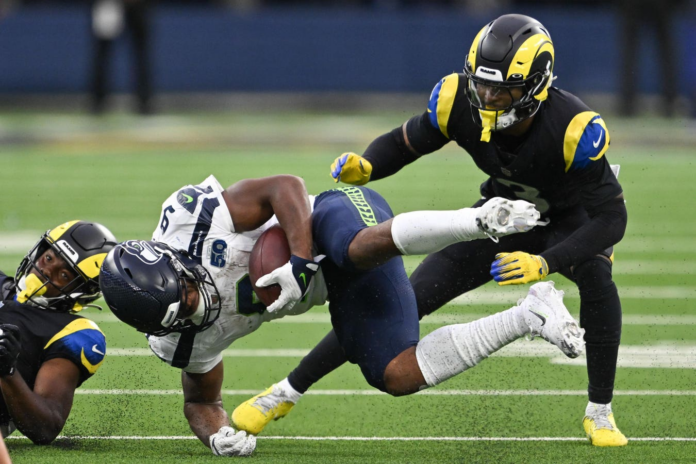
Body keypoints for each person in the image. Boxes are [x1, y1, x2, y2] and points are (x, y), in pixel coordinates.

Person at [234, 14, 628, 447]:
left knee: (597, 278)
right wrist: (369, 165)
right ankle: (287, 391)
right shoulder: (458, 100)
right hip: (503, 217)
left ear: (536, 86)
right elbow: (408, 141)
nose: (488, 96)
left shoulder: (574, 128)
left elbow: (612, 219)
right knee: (402, 302)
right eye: (482, 84)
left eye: (502, 89)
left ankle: (600, 411)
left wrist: (545, 262)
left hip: (572, 221)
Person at [99, 174, 584, 457]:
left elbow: (285, 187)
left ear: (173, 261)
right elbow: (201, 400)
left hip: (332, 217)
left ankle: (479, 220)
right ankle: (529, 315)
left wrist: (300, 258)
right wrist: (216, 435)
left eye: (186, 287)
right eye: (183, 310)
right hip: (338, 285)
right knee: (396, 375)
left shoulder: (191, 221)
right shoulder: (179, 342)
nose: (196, 300)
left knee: (351, 249)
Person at [0, 221, 116, 444]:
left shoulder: (71, 333)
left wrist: (8, 371)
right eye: (49, 258)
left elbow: (45, 427)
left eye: (63, 275)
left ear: (82, 291)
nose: (45, 270)